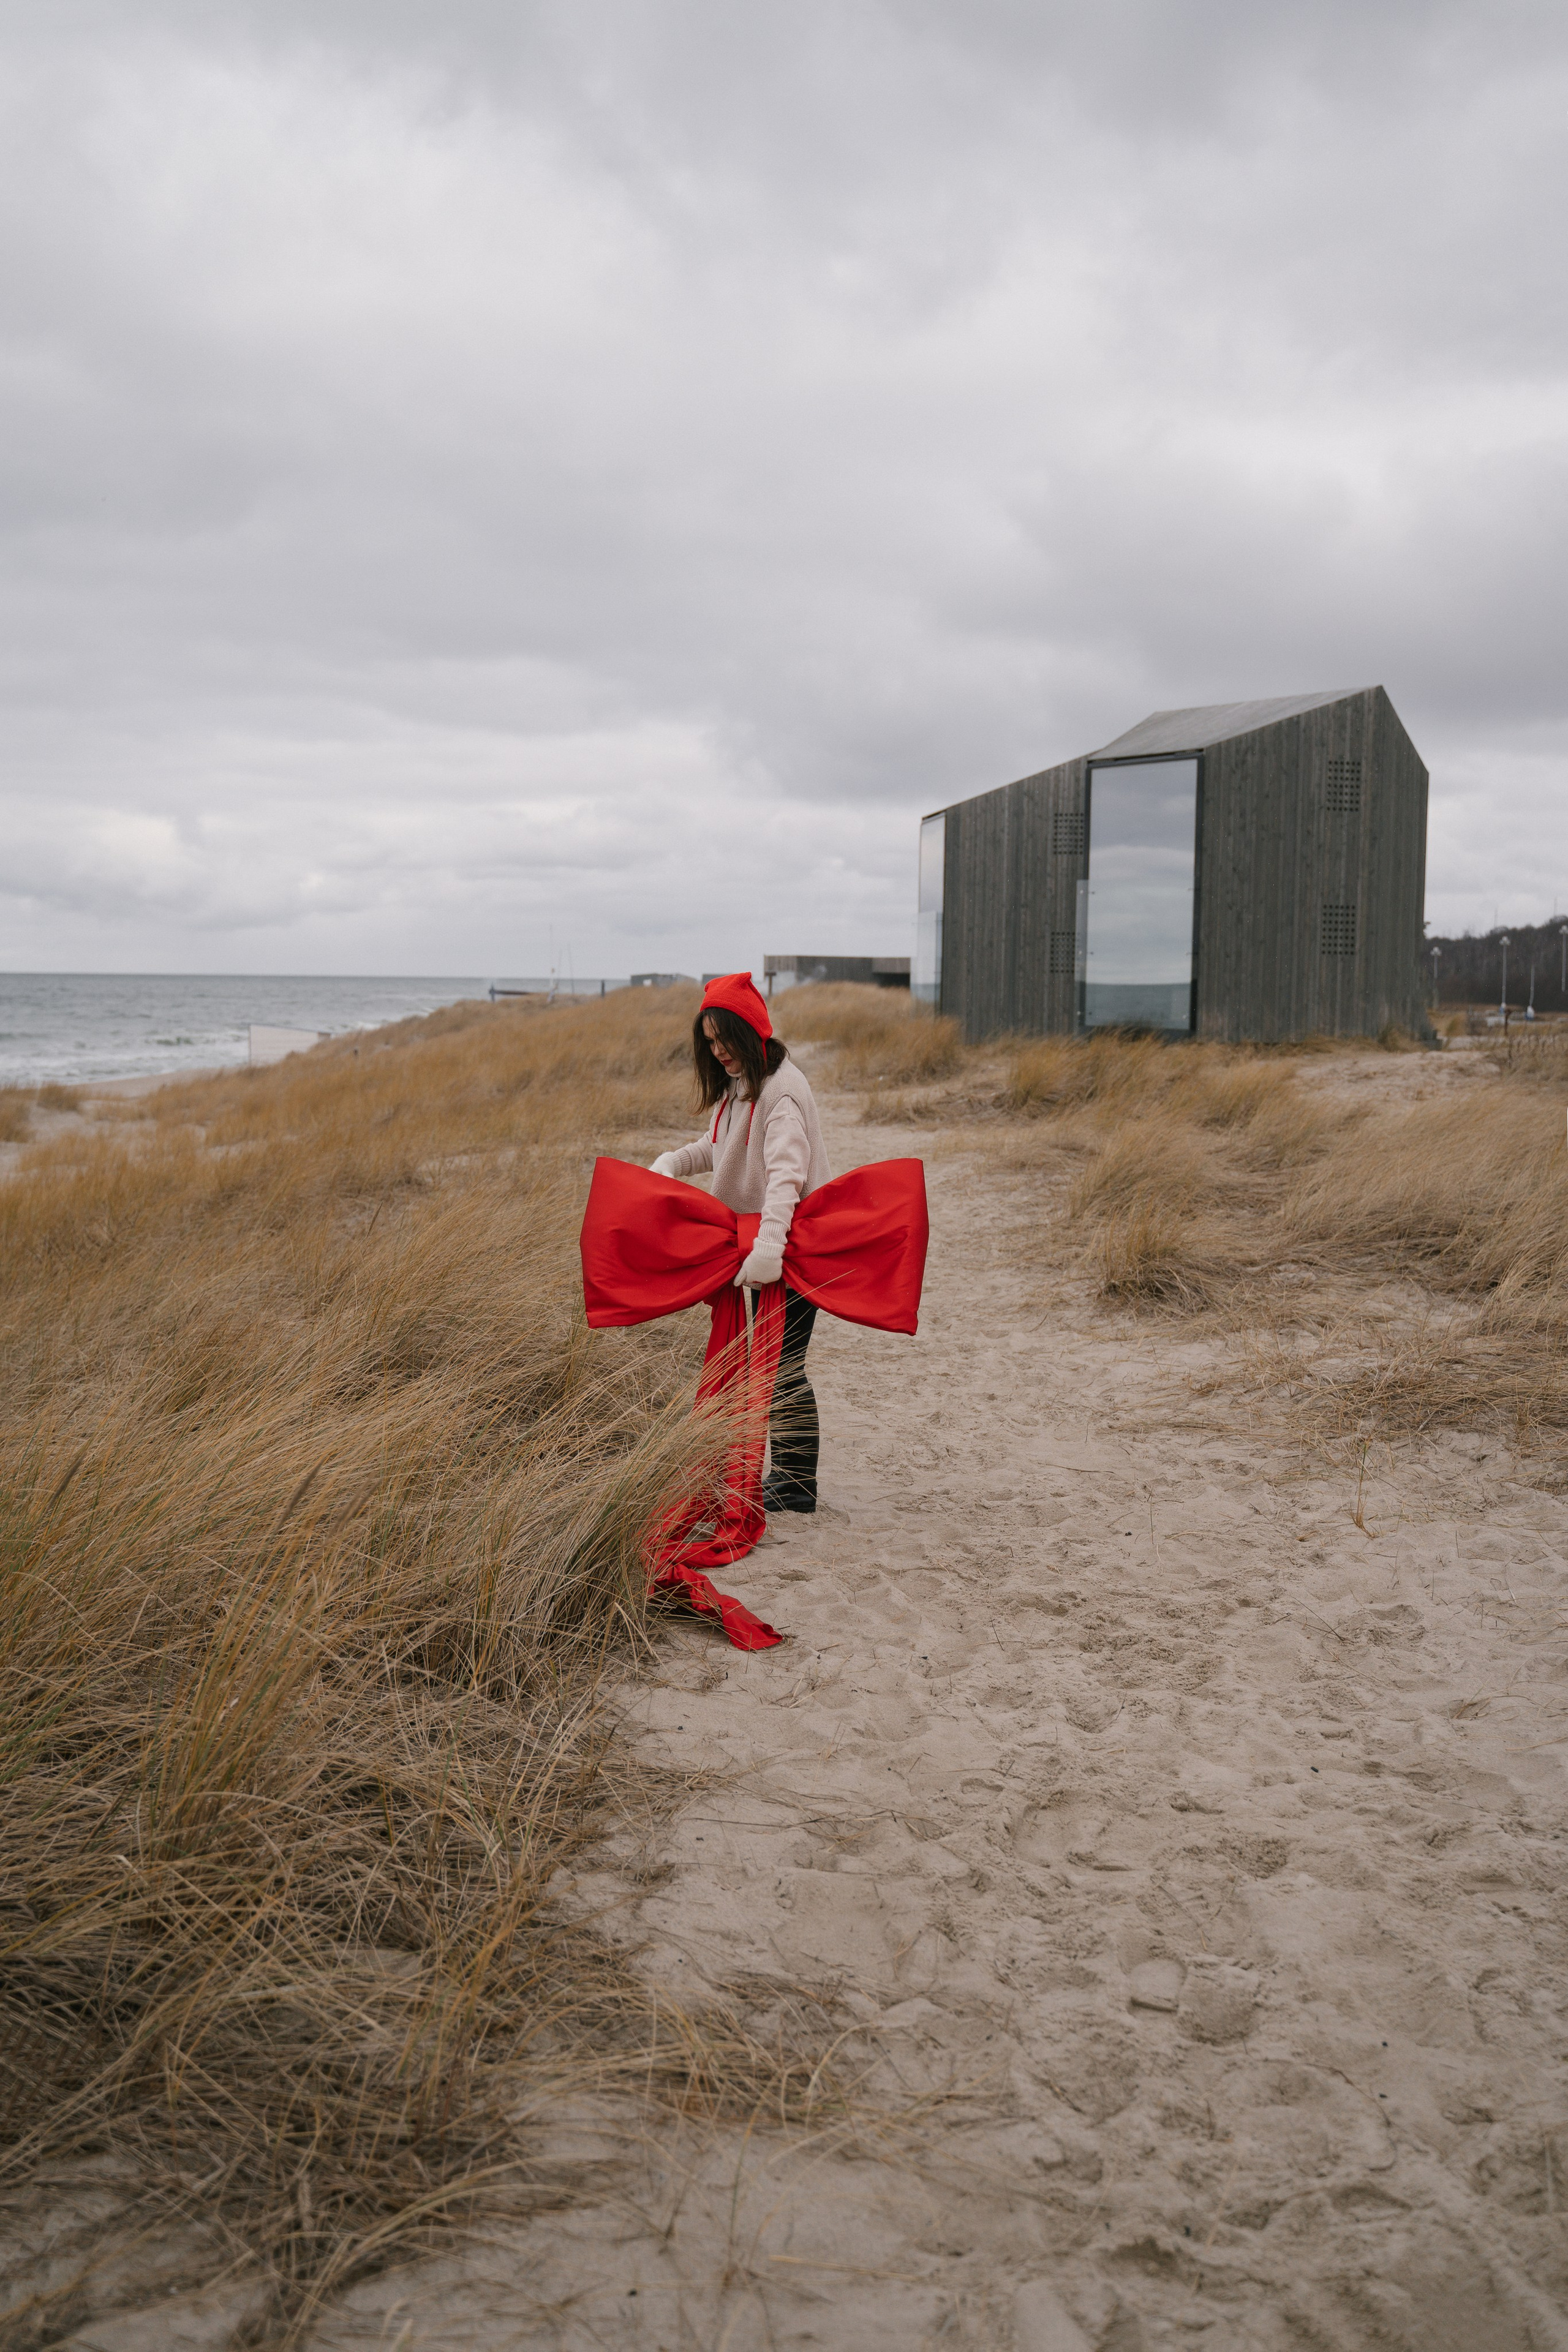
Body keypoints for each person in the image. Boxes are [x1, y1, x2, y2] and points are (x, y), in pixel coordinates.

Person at [650, 973, 831, 1513]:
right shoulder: (744, 1084)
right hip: (762, 1248)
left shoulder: (782, 1093)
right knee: (776, 1362)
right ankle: (788, 1475)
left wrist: (771, 1247)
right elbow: (722, 1149)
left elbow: (785, 1177)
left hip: (793, 1249)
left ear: (751, 1031)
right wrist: (674, 1164)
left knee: (784, 1363)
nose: (718, 1050)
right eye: (709, 1041)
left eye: (725, 1037)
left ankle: (798, 1485)